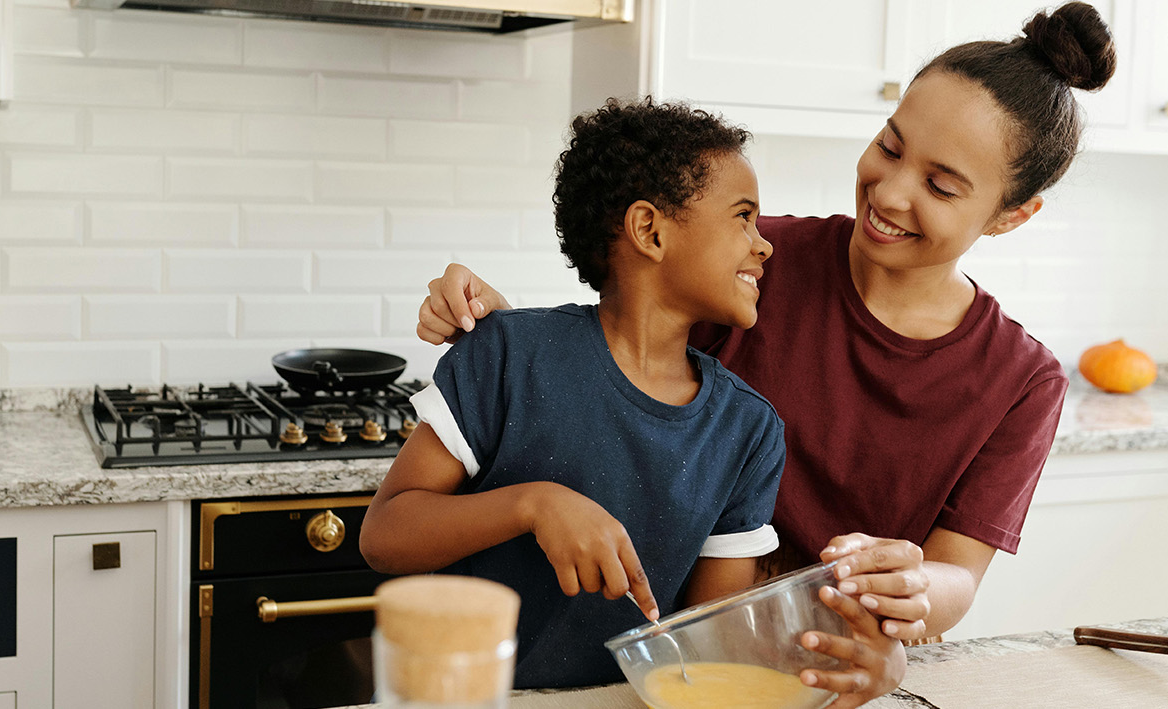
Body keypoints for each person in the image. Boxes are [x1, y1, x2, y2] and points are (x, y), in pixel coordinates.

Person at [413, 3, 1116, 705]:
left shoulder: (1023, 378)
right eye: (890, 146)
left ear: (1010, 215)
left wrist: (904, 603)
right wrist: (504, 330)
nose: (891, 190)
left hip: (835, 660)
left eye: (940, 185)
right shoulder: (753, 263)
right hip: (682, 655)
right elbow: (616, 352)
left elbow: (957, 572)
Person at [361, 98, 887, 690]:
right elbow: (384, 537)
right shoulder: (507, 355)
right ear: (649, 231)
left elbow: (713, 648)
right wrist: (534, 505)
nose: (763, 245)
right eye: (742, 217)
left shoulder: (749, 431)